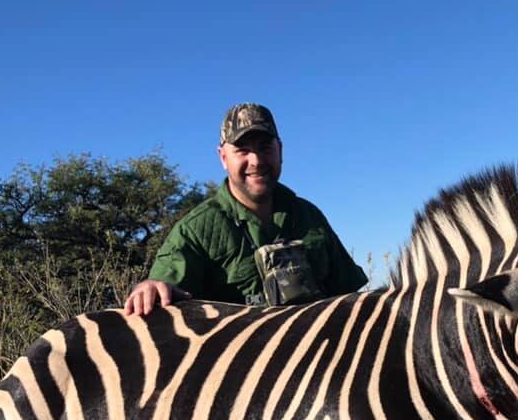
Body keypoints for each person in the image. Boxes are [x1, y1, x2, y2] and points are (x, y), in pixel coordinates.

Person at [124, 103, 367, 315]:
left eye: (265, 148)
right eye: (242, 150)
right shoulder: (195, 230)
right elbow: (162, 286)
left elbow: (347, 296)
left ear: (280, 151)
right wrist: (151, 286)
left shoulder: (309, 215)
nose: (257, 161)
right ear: (223, 158)